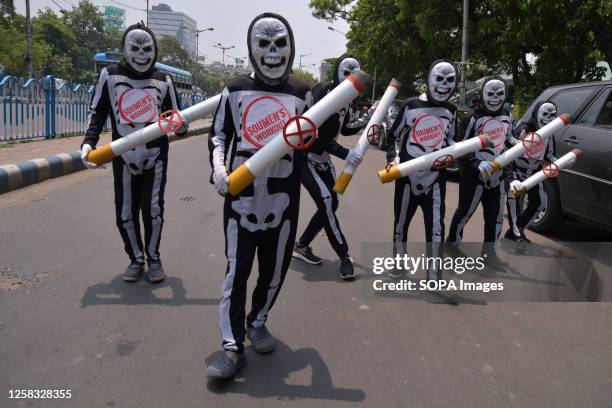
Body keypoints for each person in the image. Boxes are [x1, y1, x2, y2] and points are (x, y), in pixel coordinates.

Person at [207, 13, 313, 379]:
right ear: (252, 49)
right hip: (241, 200)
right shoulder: (234, 89)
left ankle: (259, 320)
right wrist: (219, 170)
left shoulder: (301, 93)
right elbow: (218, 135)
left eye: (280, 43)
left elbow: (316, 137)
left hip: (284, 201)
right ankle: (232, 345)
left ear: (291, 47)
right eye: (263, 44)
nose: (272, 52)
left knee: (274, 271)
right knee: (236, 271)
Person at [80, 23, 187, 283]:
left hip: (156, 157)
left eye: (147, 48)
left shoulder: (164, 80)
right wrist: (88, 143)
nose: (141, 54)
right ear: (125, 50)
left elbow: (175, 117)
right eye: (135, 48)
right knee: (125, 212)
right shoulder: (110, 75)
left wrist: (182, 127)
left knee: (153, 209)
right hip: (123, 155)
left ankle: (153, 258)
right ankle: (135, 258)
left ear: (155, 50)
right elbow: (98, 114)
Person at [292, 54, 365, 280]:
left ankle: (302, 245)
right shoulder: (323, 94)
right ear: (336, 73)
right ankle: (344, 255)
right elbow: (315, 135)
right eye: (346, 73)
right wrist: (345, 153)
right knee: (325, 201)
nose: (350, 80)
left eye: (355, 75)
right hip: (305, 158)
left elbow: (343, 130)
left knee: (331, 203)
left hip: (324, 160)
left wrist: (365, 123)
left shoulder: (348, 99)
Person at [385, 59, 458, 281]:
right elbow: (393, 137)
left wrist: (451, 157)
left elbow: (455, 141)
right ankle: (399, 264)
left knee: (436, 229)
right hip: (407, 176)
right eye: (439, 78)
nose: (444, 84)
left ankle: (434, 275)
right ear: (429, 79)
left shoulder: (451, 111)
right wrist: (393, 160)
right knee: (400, 224)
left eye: (450, 80)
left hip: (435, 180)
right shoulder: (410, 106)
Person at [446, 76, 514, 266]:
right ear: (483, 95)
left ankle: (489, 254)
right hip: (473, 176)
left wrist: (510, 172)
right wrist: (476, 164)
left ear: (505, 94)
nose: (494, 98)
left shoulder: (507, 116)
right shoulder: (472, 118)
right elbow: (460, 147)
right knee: (465, 212)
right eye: (490, 93)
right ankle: (452, 243)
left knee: (495, 217)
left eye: (499, 93)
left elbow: (508, 143)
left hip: (497, 176)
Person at [505, 101, 558, 242]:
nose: (548, 118)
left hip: (534, 172)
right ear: (537, 114)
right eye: (545, 114)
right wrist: (510, 177)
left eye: (552, 115)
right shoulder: (524, 128)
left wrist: (561, 162)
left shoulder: (549, 133)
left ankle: (517, 230)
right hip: (517, 171)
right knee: (513, 201)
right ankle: (516, 234)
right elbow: (509, 150)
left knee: (539, 203)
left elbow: (550, 154)